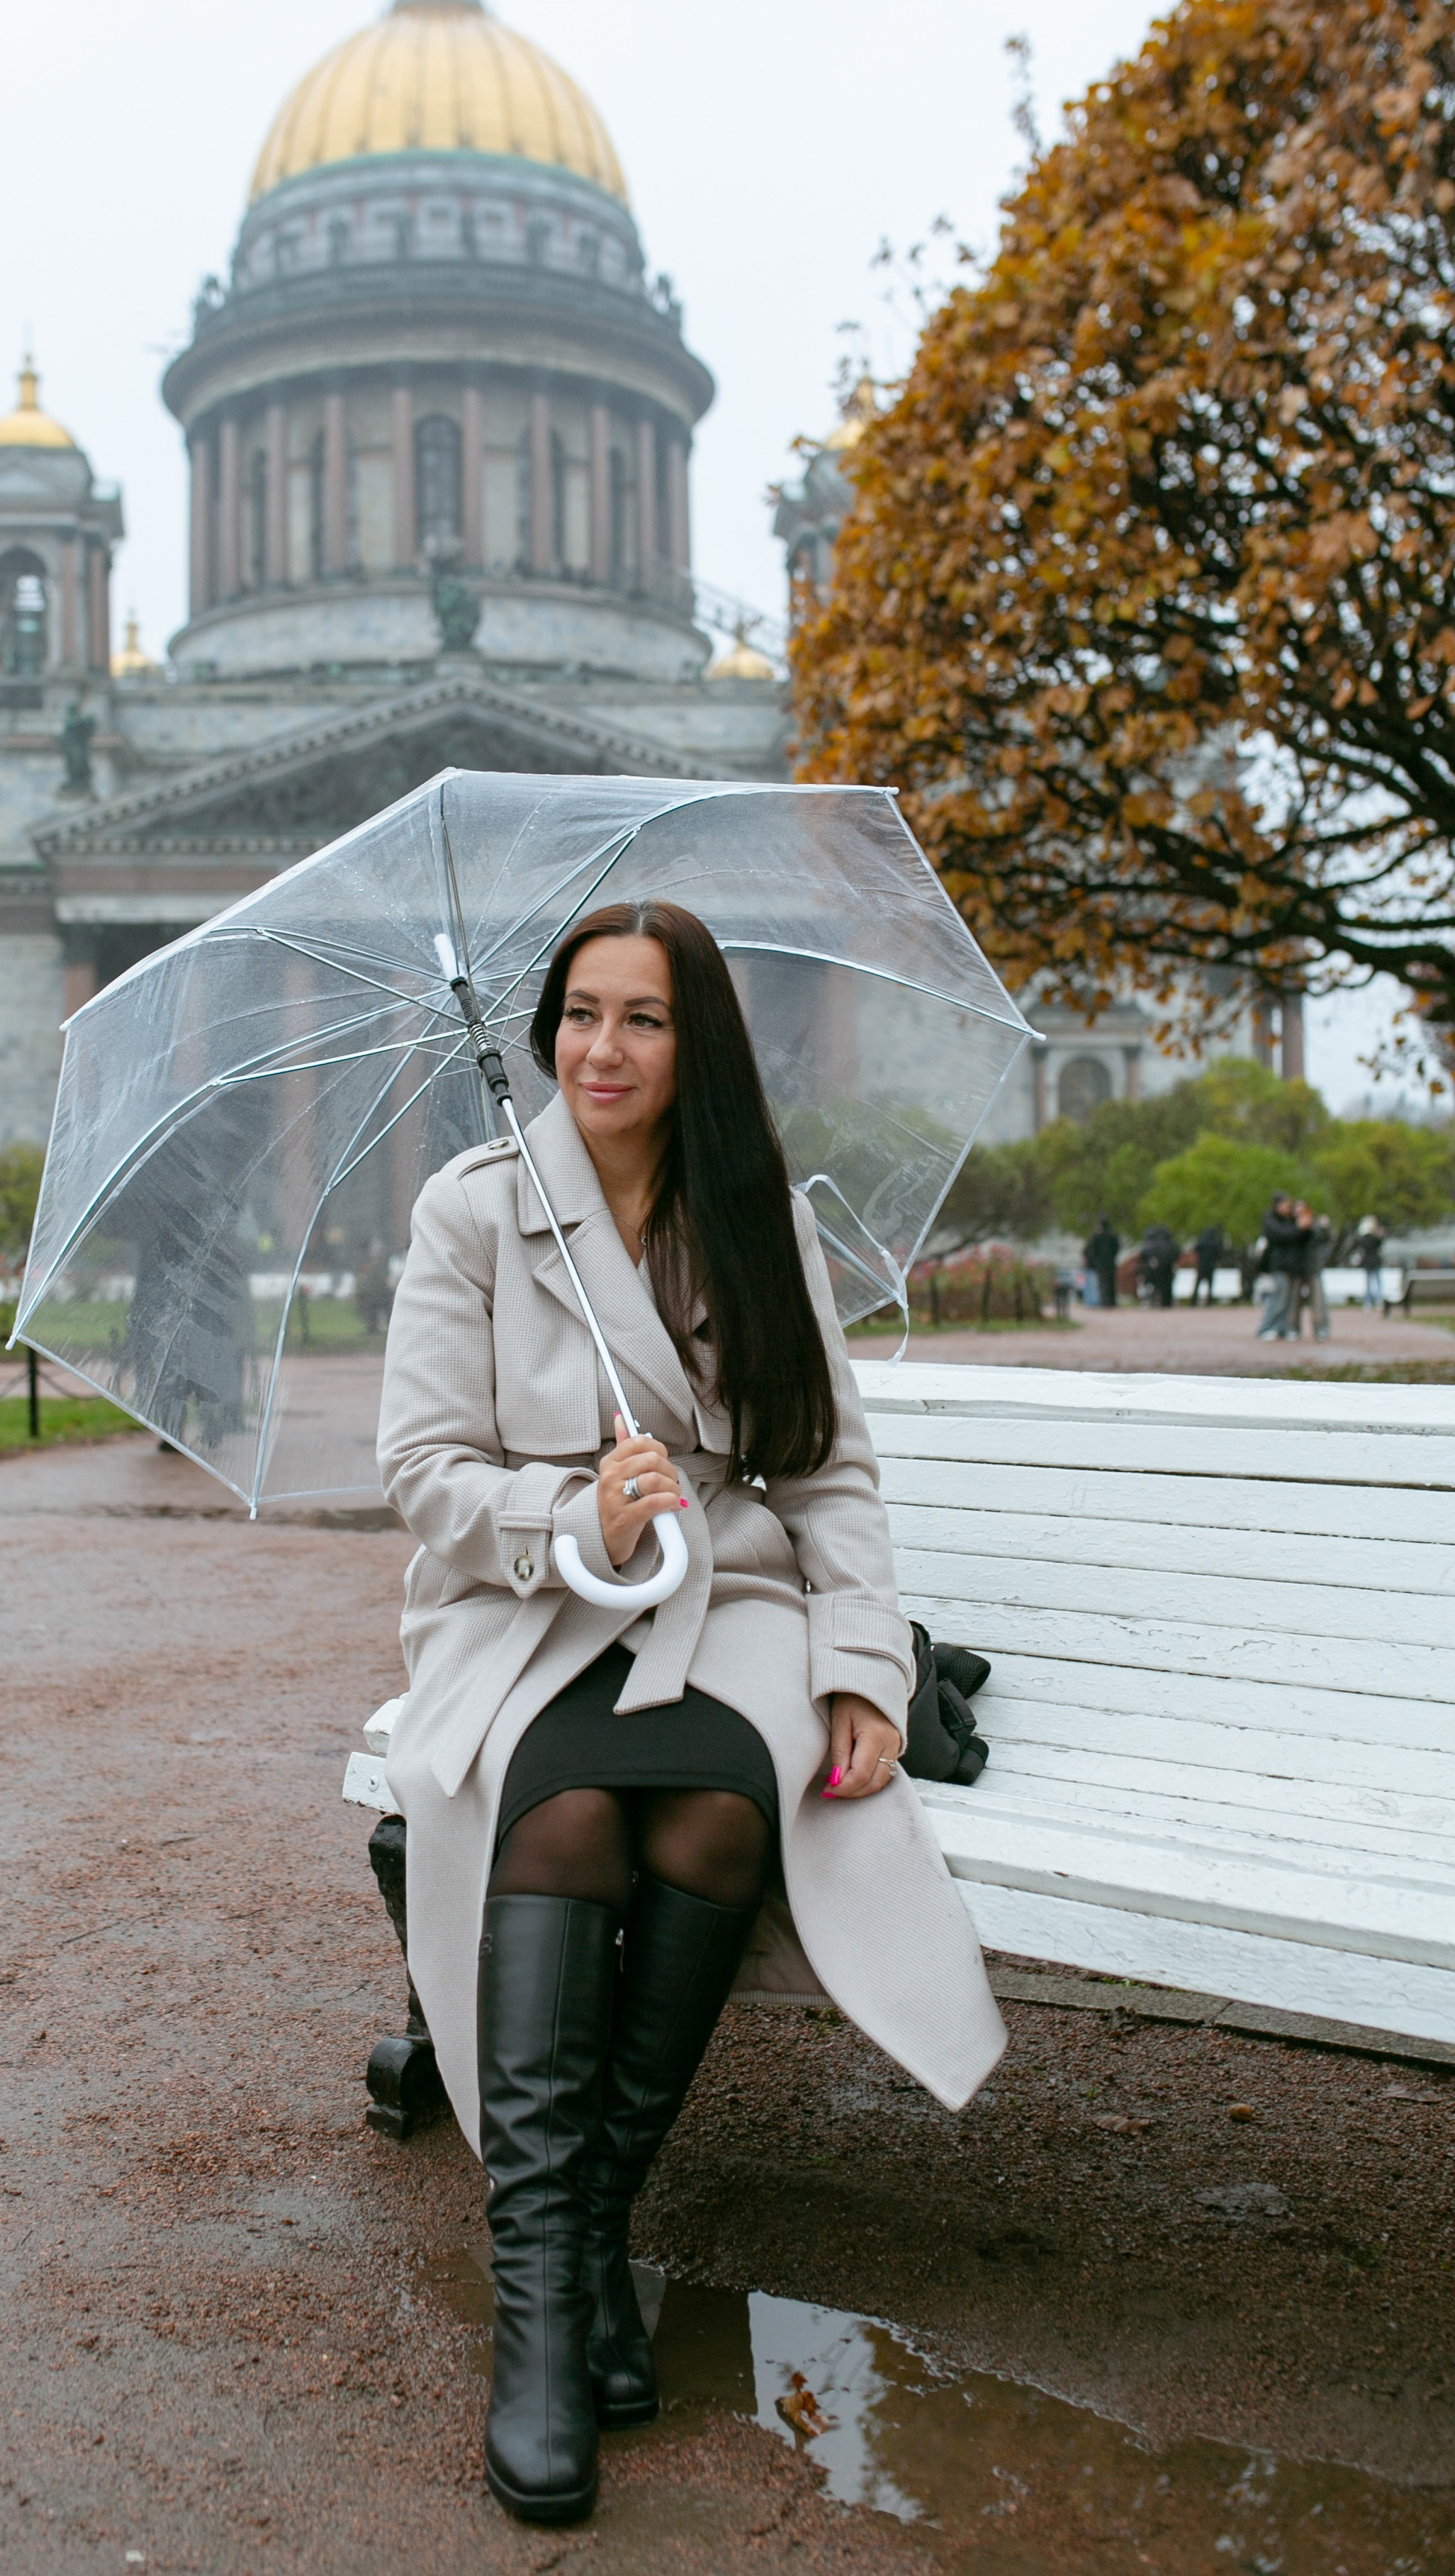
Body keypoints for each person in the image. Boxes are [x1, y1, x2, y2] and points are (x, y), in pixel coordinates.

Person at [377, 901, 1004, 2526]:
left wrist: (859, 1663)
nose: (598, 1048)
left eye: (639, 1018)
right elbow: (422, 1475)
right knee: (572, 1810)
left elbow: (824, 1468)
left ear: (693, 1043)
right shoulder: (469, 1214)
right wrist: (570, 1517)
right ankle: (543, 2309)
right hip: (524, 1617)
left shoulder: (753, 1219)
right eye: (578, 1013)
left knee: (719, 1810)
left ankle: (585, 2233)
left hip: (723, 1605)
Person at [1254, 1193, 1302, 1340]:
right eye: (1285, 1205)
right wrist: (1299, 1228)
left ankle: (1283, 1329)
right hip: (1280, 1264)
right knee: (1279, 1298)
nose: (1288, 1208)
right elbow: (1281, 1235)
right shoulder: (1271, 1220)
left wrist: (1303, 1222)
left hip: (1294, 1265)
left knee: (1290, 1300)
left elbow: (1305, 1237)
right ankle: (1265, 1328)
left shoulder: (1292, 1220)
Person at [1296, 1199, 1332, 1341]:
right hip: (1296, 1269)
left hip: (1312, 1267)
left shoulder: (1315, 1227)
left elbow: (1324, 1239)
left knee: (1318, 1301)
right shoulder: (1291, 1227)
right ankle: (1292, 1329)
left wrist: (1323, 1227)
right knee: (1294, 1303)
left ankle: (1321, 1329)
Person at [1083, 1214, 1120, 1309]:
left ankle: (1105, 1302)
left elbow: (1091, 1249)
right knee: (1111, 1282)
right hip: (1111, 1263)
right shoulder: (1113, 1236)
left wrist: (1094, 1260)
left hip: (1101, 1264)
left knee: (1103, 1283)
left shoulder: (1097, 1236)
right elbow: (1117, 1248)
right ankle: (1112, 1302)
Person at [1140, 1221, 1178, 1309]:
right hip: (1167, 1269)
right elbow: (1176, 1253)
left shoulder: (1150, 1244)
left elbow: (1143, 1256)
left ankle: (1151, 1300)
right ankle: (1167, 1303)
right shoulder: (1170, 1244)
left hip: (1152, 1271)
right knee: (1167, 1288)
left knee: (1152, 1286)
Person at [1354, 1214, 1386, 1310]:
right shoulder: (1373, 1239)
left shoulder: (1364, 1239)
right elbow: (1380, 1244)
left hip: (1368, 1262)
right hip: (1375, 1262)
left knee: (1369, 1283)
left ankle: (1368, 1302)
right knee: (1377, 1282)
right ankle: (1378, 1301)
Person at [1191, 1222, 1226, 1306]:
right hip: (1211, 1265)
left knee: (1198, 1284)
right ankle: (1209, 1301)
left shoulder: (1202, 1241)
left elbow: (1196, 1250)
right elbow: (1219, 1253)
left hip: (1202, 1265)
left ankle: (1193, 1301)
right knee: (1210, 1284)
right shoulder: (1215, 1242)